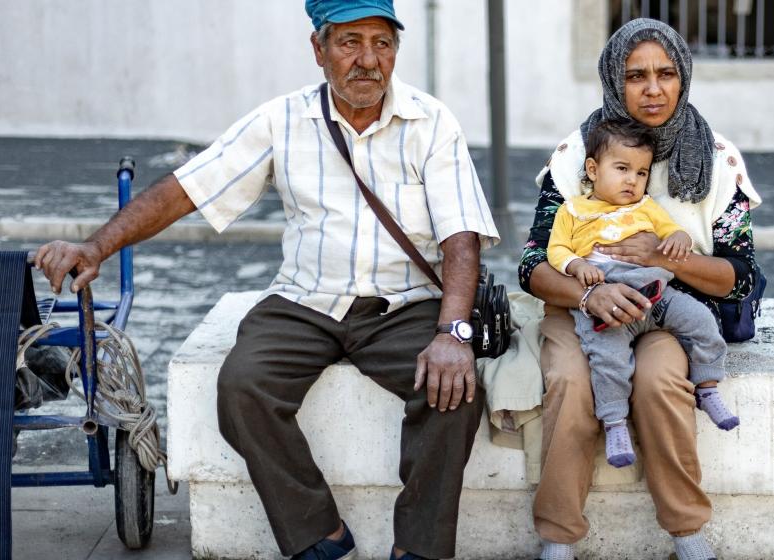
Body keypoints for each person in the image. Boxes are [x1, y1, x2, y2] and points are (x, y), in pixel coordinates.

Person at [35, 2, 499, 559]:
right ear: (318, 48)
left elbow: (460, 239)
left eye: (382, 42)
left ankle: (418, 549)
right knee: (242, 387)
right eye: (350, 42)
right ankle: (319, 536)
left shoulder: (432, 121)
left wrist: (453, 332)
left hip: (404, 304)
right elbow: (188, 189)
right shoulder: (282, 120)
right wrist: (96, 245)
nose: (369, 60)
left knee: (453, 394)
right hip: (304, 300)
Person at [518, 18, 762, 560]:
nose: (653, 89)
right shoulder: (576, 154)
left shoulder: (718, 161)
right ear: (613, 80)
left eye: (666, 73)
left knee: (657, 381)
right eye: (635, 76)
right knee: (570, 383)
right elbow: (533, 261)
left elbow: (738, 274)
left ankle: (687, 532)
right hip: (581, 307)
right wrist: (587, 295)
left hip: (665, 309)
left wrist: (659, 256)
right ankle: (558, 537)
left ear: (684, 77)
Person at [546, 119, 738, 469]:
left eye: (640, 172)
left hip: (656, 293)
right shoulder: (572, 211)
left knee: (700, 320)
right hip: (605, 299)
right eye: (622, 169)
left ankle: (707, 386)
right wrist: (576, 266)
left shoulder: (645, 207)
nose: (632, 180)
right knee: (607, 358)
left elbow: (671, 231)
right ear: (593, 169)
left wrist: (680, 239)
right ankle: (615, 422)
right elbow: (555, 251)